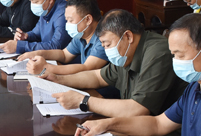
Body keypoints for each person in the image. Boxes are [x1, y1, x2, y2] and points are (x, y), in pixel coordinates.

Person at [48, 9, 187, 118]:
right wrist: (58, 79)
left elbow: (138, 109)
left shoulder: (157, 53)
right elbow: (97, 77)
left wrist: (83, 101)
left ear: (128, 36)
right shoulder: (126, 53)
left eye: (108, 44)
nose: (106, 50)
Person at [22, 0, 107, 77]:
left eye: (71, 20)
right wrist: (36, 53)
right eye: (67, 20)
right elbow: (64, 55)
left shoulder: (105, 37)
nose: (67, 25)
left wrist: (46, 67)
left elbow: (87, 68)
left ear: (88, 19)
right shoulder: (82, 34)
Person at [0, 0, 70, 55]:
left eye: (35, 2)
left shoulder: (63, 13)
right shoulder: (46, 9)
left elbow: (56, 46)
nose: (32, 5)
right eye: (30, 1)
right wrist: (25, 36)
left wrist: (20, 46)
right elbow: (36, 33)